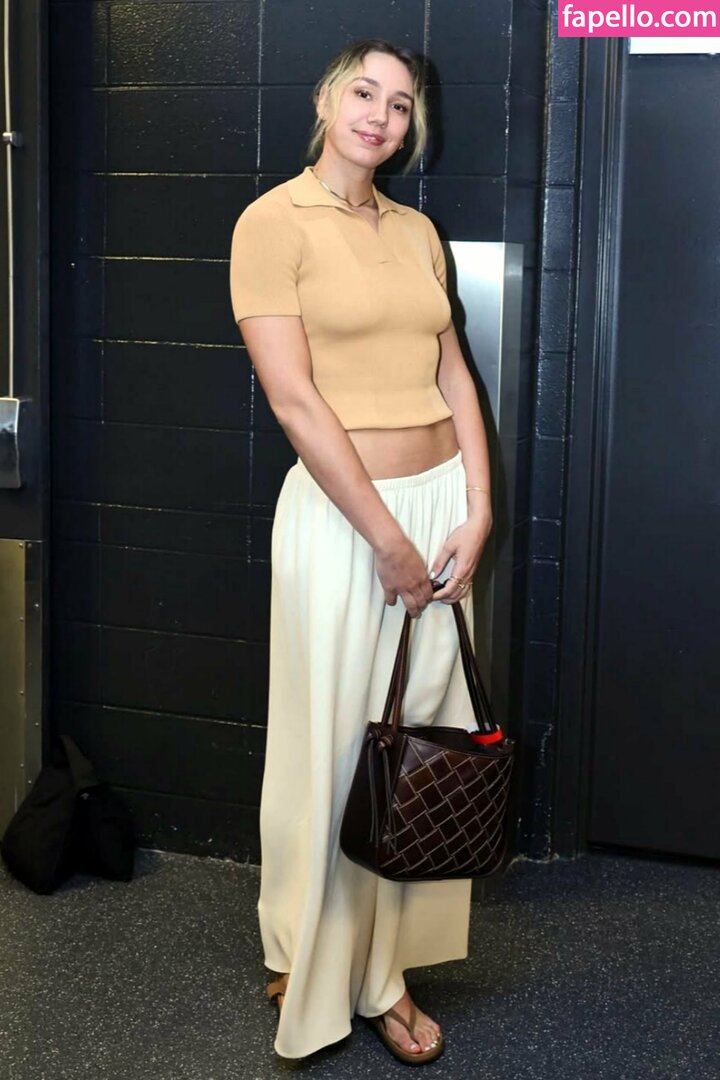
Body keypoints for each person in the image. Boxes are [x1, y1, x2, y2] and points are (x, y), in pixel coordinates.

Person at [229, 38, 493, 1064]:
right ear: (326, 99)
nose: (381, 115)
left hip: (439, 508)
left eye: (401, 103)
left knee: (416, 745)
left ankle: (386, 972)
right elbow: (295, 400)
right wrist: (386, 539)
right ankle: (307, 954)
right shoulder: (271, 222)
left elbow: (455, 375)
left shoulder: (419, 232)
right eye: (364, 92)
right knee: (335, 747)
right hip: (347, 523)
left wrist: (477, 510)